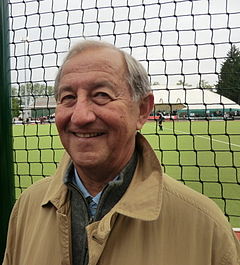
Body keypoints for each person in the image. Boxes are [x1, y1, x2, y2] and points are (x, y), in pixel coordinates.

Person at [3, 40, 240, 265]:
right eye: (68, 98)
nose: (80, 116)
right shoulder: (27, 207)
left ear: (142, 110)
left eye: (101, 95)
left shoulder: (205, 227)